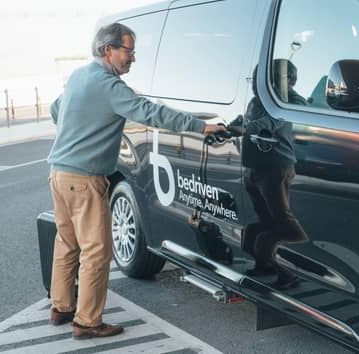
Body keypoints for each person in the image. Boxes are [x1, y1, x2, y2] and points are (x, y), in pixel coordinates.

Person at [47, 22, 225, 339]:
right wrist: (201, 127)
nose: (132, 58)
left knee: (67, 242)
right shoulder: (109, 86)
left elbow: (56, 109)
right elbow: (149, 112)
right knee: (97, 251)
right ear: (108, 50)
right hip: (85, 179)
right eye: (128, 51)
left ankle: (61, 307)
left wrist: (76, 134)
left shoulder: (78, 76)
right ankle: (87, 322)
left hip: (59, 173)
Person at [231, 61, 308, 289]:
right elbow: (248, 121)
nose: (257, 84)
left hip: (276, 169)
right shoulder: (257, 101)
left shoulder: (290, 102)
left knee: (282, 222)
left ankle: (290, 271)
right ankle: (265, 264)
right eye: (256, 78)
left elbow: (273, 121)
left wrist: (248, 128)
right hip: (254, 168)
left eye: (263, 79)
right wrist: (231, 126)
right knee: (261, 223)